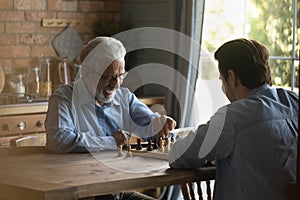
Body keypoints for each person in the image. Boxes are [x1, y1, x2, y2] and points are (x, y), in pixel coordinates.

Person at [45, 36, 176, 200]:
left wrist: (161, 126)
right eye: (107, 77)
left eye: (120, 75)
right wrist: (112, 141)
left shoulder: (124, 97)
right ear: (86, 73)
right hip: (82, 194)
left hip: (117, 190)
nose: (116, 84)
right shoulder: (65, 97)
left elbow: (150, 125)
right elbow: (59, 140)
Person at [168, 38, 298, 200]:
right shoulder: (293, 101)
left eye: (222, 80)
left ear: (232, 76)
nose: (223, 88)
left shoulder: (233, 117)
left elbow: (178, 156)